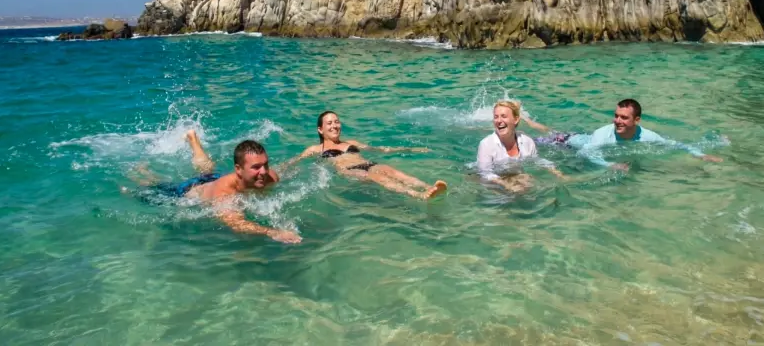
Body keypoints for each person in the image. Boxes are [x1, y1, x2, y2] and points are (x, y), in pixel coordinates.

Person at [137, 130, 301, 244]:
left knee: (208, 171)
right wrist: (273, 232)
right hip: (189, 191)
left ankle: (193, 139)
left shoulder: (269, 176)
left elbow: (283, 169)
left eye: (265, 164)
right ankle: (140, 171)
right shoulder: (224, 194)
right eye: (256, 167)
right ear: (238, 169)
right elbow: (237, 224)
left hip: (218, 179)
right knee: (155, 187)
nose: (263, 171)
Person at [283, 111, 448, 200]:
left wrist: (410, 150)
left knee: (389, 170)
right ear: (320, 129)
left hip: (368, 163)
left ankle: (428, 187)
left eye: (337, 121)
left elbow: (382, 149)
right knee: (376, 176)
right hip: (349, 170)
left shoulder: (352, 142)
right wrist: (281, 171)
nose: (335, 125)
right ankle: (418, 195)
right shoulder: (315, 149)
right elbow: (295, 161)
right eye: (329, 123)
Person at [534, 98, 724, 170]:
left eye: (624, 118)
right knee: (543, 138)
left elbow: (676, 144)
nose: (617, 121)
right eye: (616, 116)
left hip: (581, 137)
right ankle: (530, 121)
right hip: (566, 142)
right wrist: (610, 165)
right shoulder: (603, 134)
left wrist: (700, 154)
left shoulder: (647, 136)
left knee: (550, 130)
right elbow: (585, 153)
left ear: (637, 120)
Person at [476, 100, 565, 192]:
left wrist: (558, 174)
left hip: (514, 176)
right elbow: (485, 173)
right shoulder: (486, 144)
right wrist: (507, 184)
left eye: (503, 116)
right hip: (493, 183)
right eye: (496, 117)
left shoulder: (527, 141)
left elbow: (536, 160)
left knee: (531, 182)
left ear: (516, 119)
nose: (499, 120)